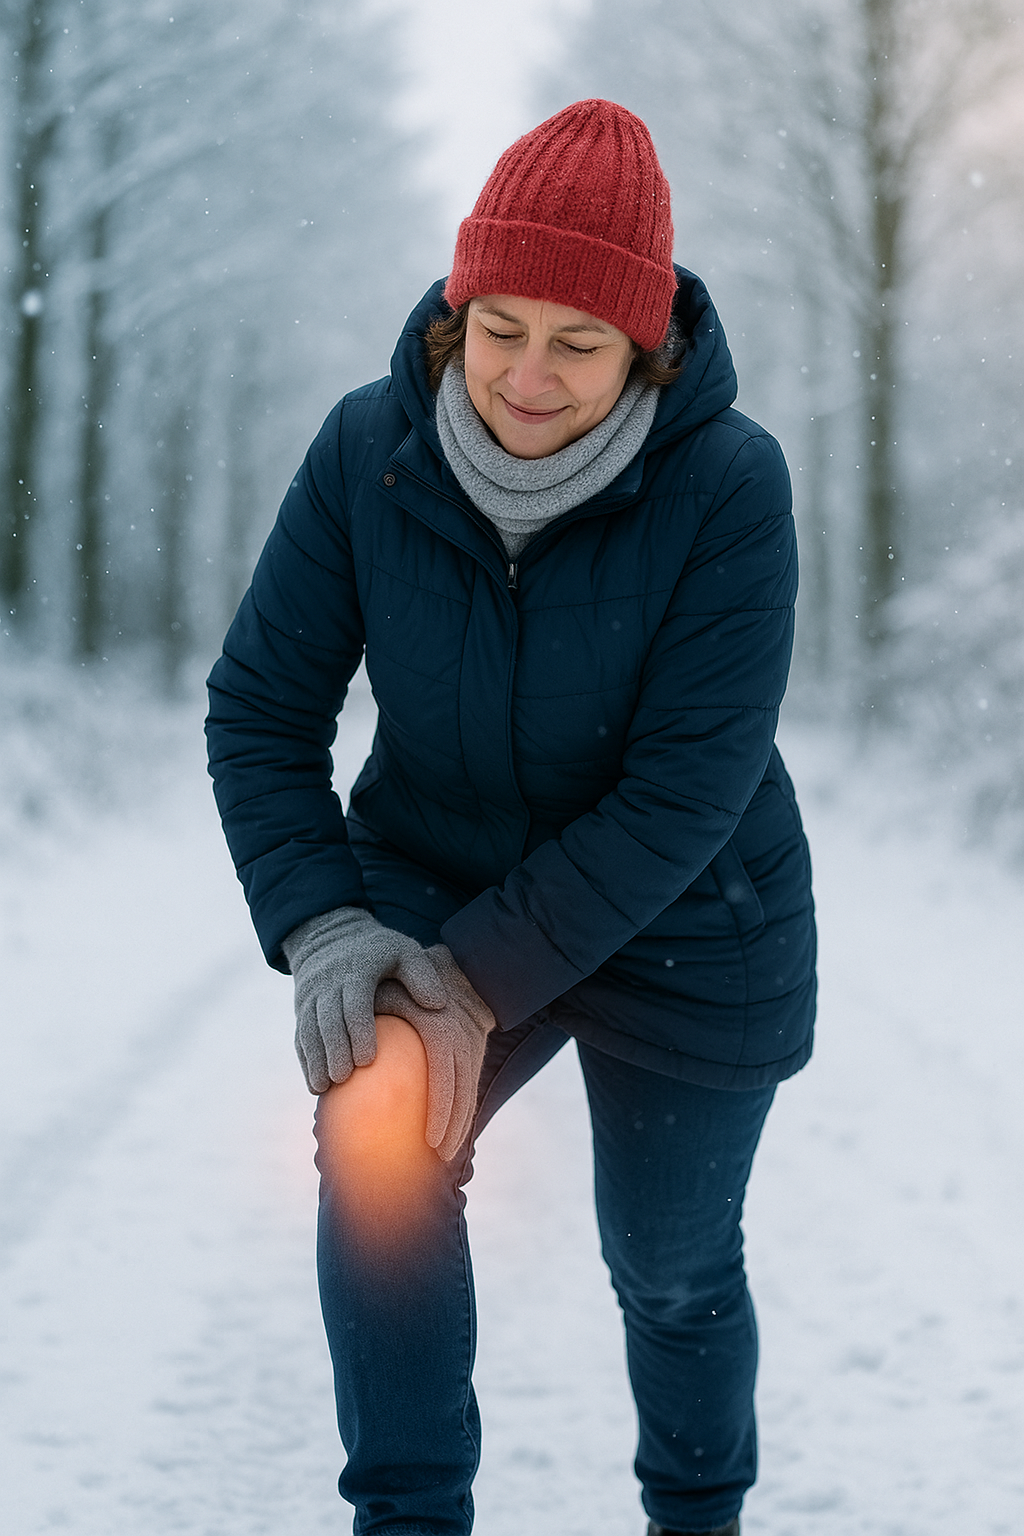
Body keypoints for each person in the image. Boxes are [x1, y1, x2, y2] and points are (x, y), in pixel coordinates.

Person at [206, 99, 816, 1536]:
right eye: (501, 329)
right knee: (377, 1143)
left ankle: (698, 1516)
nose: (527, 378)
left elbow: (684, 791)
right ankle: (411, 1518)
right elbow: (262, 708)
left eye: (580, 344)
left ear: (646, 351)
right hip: (437, 873)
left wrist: (478, 982)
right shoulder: (368, 451)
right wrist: (327, 924)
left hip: (691, 916)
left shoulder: (730, 484)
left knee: (667, 1262)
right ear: (454, 316)